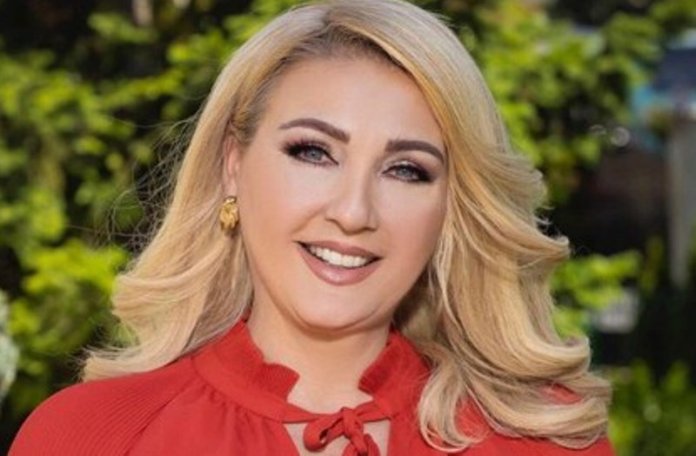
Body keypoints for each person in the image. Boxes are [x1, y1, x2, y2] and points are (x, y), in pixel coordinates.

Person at [10, 0, 614, 454]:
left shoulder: (545, 442)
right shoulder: (91, 436)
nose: (353, 212)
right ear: (233, 165)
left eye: (406, 169)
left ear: (450, 208)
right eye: (313, 152)